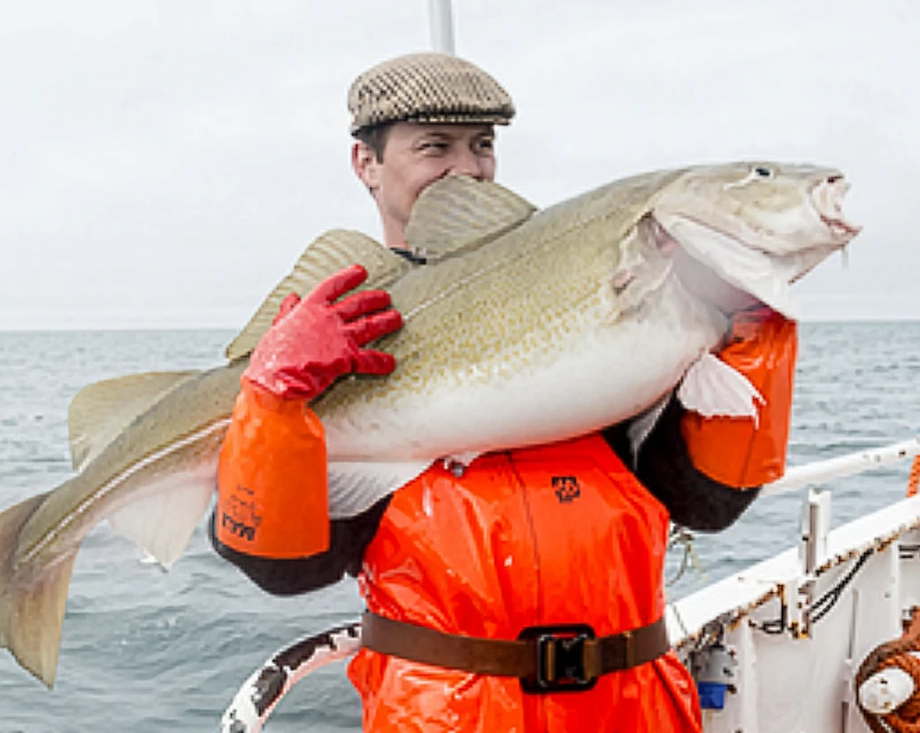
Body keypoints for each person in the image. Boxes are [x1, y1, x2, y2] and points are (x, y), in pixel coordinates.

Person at [210, 52, 798, 731]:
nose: (467, 168)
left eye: (483, 145)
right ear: (365, 164)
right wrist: (275, 402)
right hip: (450, 715)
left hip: (632, 705)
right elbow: (285, 569)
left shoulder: (601, 313)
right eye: (435, 146)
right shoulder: (337, 340)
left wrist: (752, 337)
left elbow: (707, 501)